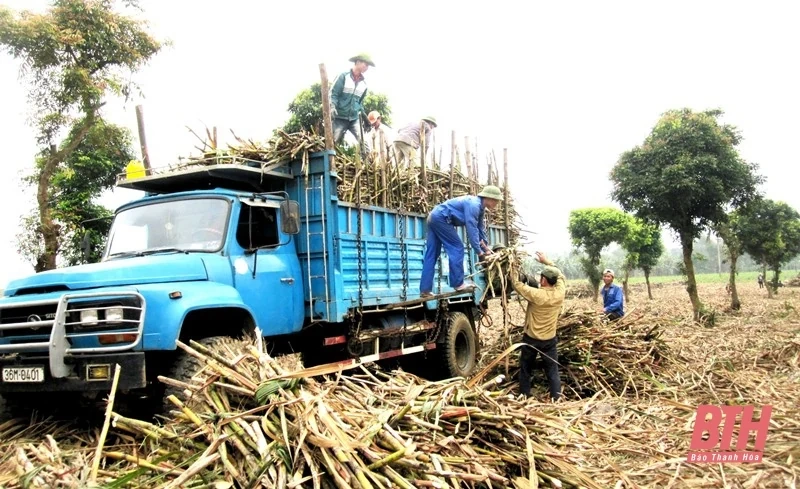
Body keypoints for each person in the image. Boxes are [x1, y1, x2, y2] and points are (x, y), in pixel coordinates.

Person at [419, 185, 503, 297]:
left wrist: (486, 248)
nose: (496, 204)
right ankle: (458, 283)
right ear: (489, 198)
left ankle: (425, 290)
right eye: (496, 201)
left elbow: (480, 228)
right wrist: (479, 253)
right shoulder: (474, 205)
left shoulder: (480, 208)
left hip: (434, 216)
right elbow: (472, 229)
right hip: (441, 218)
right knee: (457, 247)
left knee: (432, 254)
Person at [509, 252, 566, 402]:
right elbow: (559, 274)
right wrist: (547, 261)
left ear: (544, 280)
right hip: (549, 340)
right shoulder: (560, 292)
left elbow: (517, 284)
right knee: (552, 370)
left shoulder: (536, 294)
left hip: (532, 339)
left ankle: (525, 394)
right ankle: (556, 397)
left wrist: (512, 265)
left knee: (526, 368)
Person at [330, 54, 374, 155]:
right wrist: (332, 107)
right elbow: (333, 94)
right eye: (365, 64)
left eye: (368, 66)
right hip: (339, 117)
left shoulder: (364, 85)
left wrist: (366, 119)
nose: (367, 67)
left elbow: (359, 104)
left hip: (354, 119)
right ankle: (328, 166)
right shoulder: (343, 77)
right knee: (332, 142)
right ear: (357, 62)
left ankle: (366, 166)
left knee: (365, 143)